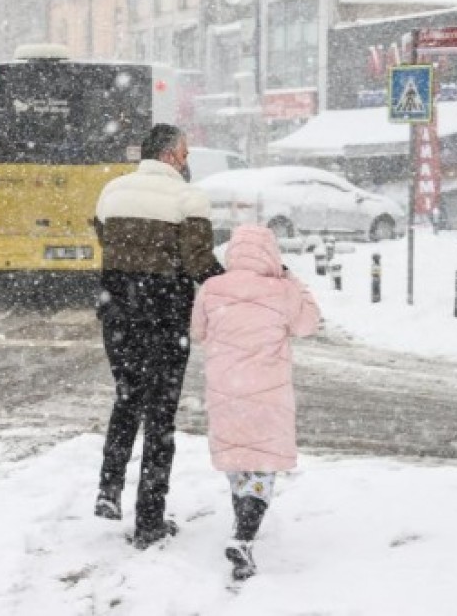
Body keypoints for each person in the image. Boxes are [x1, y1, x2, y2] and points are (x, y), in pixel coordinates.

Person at [92, 123, 224, 550]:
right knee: (161, 415)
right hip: (165, 314)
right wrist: (238, 284)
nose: (187, 162)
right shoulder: (189, 198)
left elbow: (105, 237)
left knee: (127, 395)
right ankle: (149, 520)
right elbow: (200, 262)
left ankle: (108, 489)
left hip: (117, 310)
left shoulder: (112, 191)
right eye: (184, 154)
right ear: (170, 156)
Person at [191, 224, 320, 581]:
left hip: (226, 392)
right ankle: (244, 536)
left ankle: (240, 522)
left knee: (238, 460)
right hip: (269, 395)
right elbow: (310, 323)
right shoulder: (281, 291)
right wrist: (292, 279)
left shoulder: (212, 288)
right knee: (262, 464)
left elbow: (197, 331)